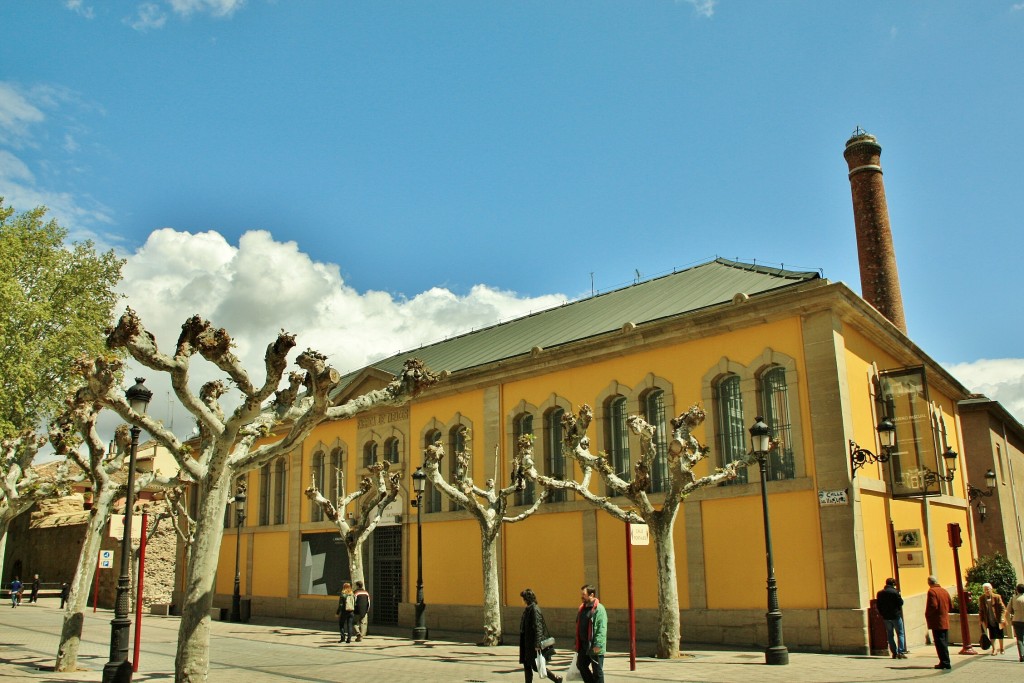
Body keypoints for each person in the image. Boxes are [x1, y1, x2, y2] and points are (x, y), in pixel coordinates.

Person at [519, 588, 562, 683]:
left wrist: (538, 644)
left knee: (535, 666)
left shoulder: (534, 609)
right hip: (527, 643)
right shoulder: (528, 609)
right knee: (527, 665)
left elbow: (538, 627)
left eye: (522, 598)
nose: (521, 600)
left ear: (526, 599)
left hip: (532, 644)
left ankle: (556, 678)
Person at [574, 584, 606, 683]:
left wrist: (598, 645)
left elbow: (601, 628)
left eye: (584, 594)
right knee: (581, 665)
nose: (582, 596)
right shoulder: (582, 608)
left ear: (591, 595)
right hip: (584, 645)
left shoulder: (599, 609)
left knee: (597, 671)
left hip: (594, 645)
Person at [925, 576, 952, 670]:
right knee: (944, 641)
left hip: (937, 621)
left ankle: (945, 662)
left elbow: (933, 605)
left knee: (940, 642)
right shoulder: (944, 591)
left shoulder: (932, 591)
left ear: (929, 583)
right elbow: (950, 604)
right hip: (945, 619)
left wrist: (927, 614)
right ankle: (946, 661)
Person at [876, 578, 907, 658]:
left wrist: (882, 613)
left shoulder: (880, 593)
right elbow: (901, 602)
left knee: (890, 634)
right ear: (893, 584)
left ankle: (894, 652)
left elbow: (878, 605)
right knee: (900, 633)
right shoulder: (895, 592)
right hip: (896, 616)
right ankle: (900, 652)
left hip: (886, 617)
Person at [978, 582, 1006, 655]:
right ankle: (994, 649)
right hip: (989, 619)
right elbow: (980, 610)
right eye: (985, 590)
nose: (987, 591)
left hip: (998, 619)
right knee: (992, 635)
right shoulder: (982, 598)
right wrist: (981, 620)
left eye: (988, 589)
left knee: (1000, 635)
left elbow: (1002, 608)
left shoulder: (997, 597)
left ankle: (1002, 648)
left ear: (991, 589)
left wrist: (1002, 617)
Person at [1006, 583, 1024, 662]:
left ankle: (1022, 656)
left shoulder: (1013, 598)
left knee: (1019, 639)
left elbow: (1008, 610)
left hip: (1016, 620)